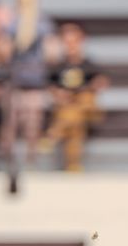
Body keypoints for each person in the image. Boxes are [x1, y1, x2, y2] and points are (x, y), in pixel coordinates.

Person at [1, 0, 58, 166]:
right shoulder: (18, 23)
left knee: (22, 123)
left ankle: (22, 161)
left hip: (29, 81)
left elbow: (4, 52)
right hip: (22, 81)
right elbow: (52, 54)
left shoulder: (35, 23)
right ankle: (24, 161)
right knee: (18, 123)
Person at [40, 23, 109, 172]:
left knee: (83, 100)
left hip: (87, 109)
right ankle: (73, 166)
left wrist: (89, 88)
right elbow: (50, 86)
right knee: (75, 123)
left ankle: (55, 133)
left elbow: (100, 84)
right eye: (67, 42)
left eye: (74, 42)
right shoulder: (58, 66)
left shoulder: (89, 65)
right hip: (68, 108)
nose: (71, 46)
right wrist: (59, 94)